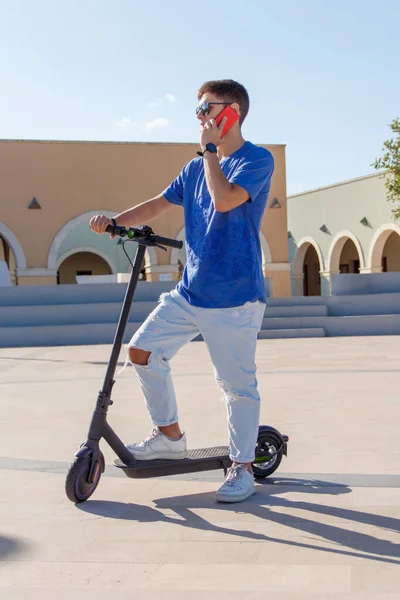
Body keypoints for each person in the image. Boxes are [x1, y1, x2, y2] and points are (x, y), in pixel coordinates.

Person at [90, 79, 274, 503]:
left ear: (233, 112)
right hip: (191, 292)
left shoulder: (256, 160)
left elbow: (226, 200)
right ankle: (170, 436)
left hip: (235, 296)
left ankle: (243, 468)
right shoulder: (194, 168)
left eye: (208, 109)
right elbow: (158, 204)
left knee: (237, 387)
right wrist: (114, 220)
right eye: (198, 110)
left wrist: (211, 151)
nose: (201, 117)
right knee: (142, 352)